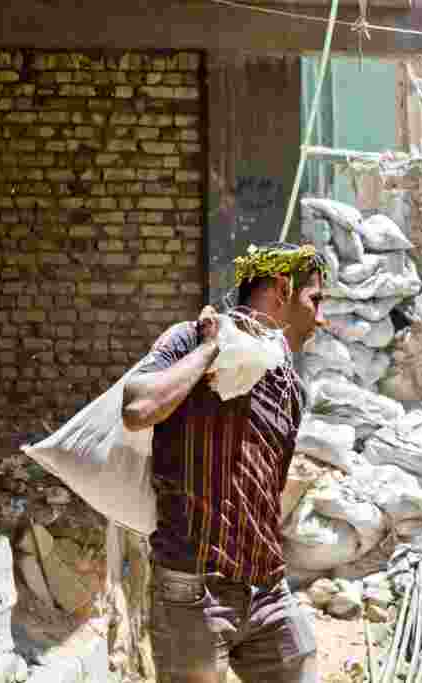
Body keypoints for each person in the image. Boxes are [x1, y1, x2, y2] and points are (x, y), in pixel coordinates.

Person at [122, 242, 328, 683]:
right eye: (315, 300)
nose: (321, 318)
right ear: (282, 286)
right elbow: (137, 409)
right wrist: (210, 351)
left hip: (267, 592)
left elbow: (268, 492)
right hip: (193, 595)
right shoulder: (191, 339)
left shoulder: (289, 386)